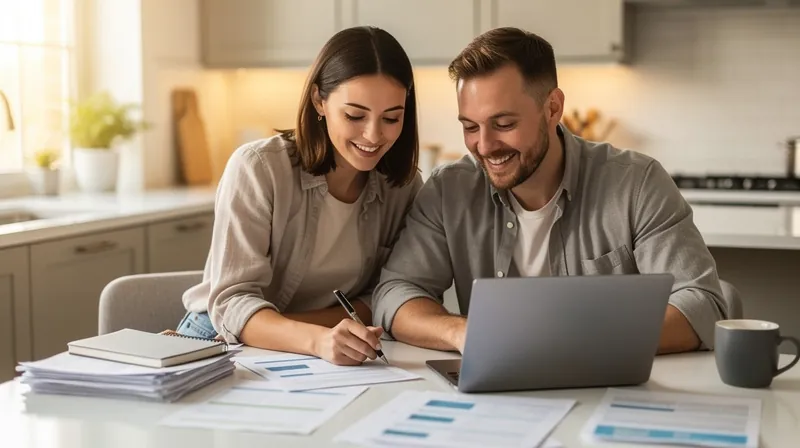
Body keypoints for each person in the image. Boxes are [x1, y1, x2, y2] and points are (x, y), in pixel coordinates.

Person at [372, 27, 728, 356]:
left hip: (613, 391)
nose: (484, 145)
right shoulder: (449, 190)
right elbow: (395, 293)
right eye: (470, 127)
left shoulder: (636, 183)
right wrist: (462, 332)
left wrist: (570, 343)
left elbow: (701, 304)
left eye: (504, 124)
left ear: (553, 108)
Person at [178, 26, 422, 366]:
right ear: (319, 101)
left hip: (320, 347)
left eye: (391, 118)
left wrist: (318, 335)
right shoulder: (259, 168)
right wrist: (318, 339)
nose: (373, 135)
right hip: (220, 340)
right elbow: (233, 302)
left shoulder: (402, 188)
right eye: (355, 115)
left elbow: (385, 295)